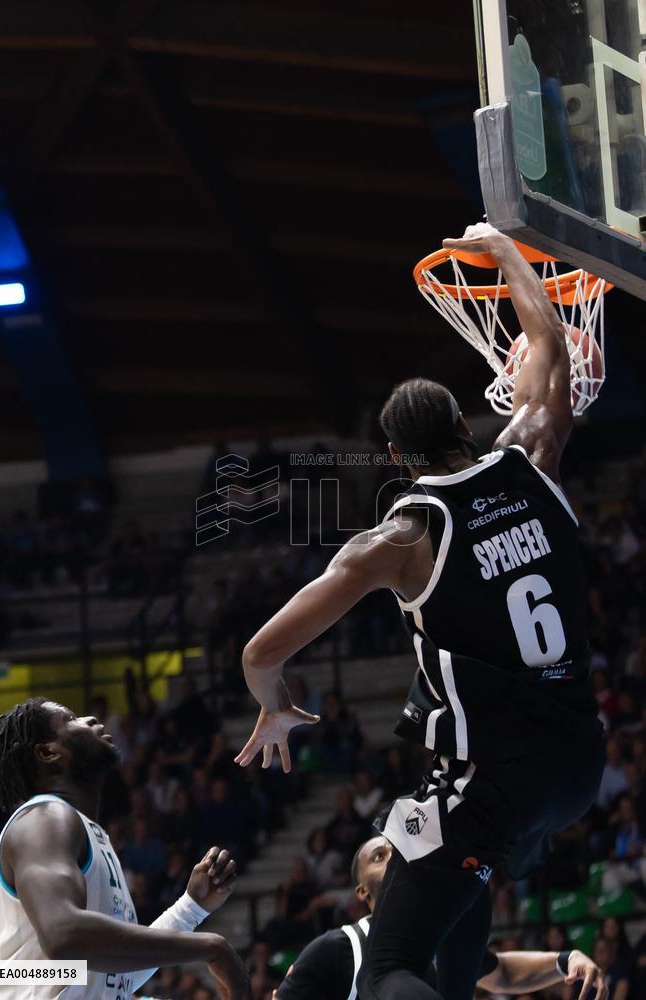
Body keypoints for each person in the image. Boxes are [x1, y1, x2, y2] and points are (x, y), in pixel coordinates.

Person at [234, 222, 605, 1000]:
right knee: (451, 934)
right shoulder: (534, 453)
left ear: (399, 460)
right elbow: (551, 354)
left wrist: (273, 709)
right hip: (578, 754)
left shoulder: (399, 538)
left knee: (392, 965)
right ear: (466, 426)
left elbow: (262, 654)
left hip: (504, 774)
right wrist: (504, 251)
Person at [0, 697, 250, 1000]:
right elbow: (64, 936)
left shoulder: (84, 832)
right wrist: (211, 948)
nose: (91, 719)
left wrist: (190, 908)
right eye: (71, 718)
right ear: (48, 752)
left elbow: (108, 976)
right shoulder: (44, 820)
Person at [274, 836, 607, 1000]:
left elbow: (501, 972)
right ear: (361, 891)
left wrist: (565, 960)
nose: (392, 856)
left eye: (396, 849)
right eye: (379, 855)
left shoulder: (442, 937)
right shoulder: (335, 949)